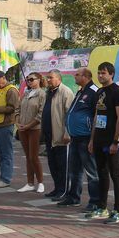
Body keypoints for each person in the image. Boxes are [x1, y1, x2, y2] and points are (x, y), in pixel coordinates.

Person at [85, 62, 119, 224]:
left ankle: (118, 211)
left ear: (111, 74)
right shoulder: (99, 91)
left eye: (103, 73)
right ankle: (102, 207)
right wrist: (92, 139)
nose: (100, 75)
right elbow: (97, 116)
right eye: (99, 72)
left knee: (115, 174)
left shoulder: (118, 92)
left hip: (111, 140)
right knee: (101, 173)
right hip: (99, 139)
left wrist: (116, 141)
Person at [59, 67, 100, 211]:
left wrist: (93, 139)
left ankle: (95, 202)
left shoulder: (94, 91)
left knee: (91, 172)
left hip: (86, 137)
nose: (74, 76)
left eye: (77, 74)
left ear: (86, 76)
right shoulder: (81, 91)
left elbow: (97, 115)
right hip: (75, 137)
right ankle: (73, 197)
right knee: (74, 170)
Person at [42, 69, 74, 200]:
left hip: (61, 136)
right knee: (52, 164)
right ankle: (57, 188)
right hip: (49, 136)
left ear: (59, 79)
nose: (48, 80)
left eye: (51, 77)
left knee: (62, 166)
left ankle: (63, 191)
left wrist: (67, 133)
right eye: (47, 77)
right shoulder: (48, 92)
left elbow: (70, 115)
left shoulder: (66, 92)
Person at [16, 72, 46, 193]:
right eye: (27, 80)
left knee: (34, 156)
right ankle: (30, 183)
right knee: (28, 156)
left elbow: (41, 114)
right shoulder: (26, 93)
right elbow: (17, 109)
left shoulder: (42, 94)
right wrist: (17, 122)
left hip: (35, 129)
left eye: (32, 79)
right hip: (23, 129)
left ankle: (40, 182)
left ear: (39, 80)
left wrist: (29, 125)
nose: (29, 82)